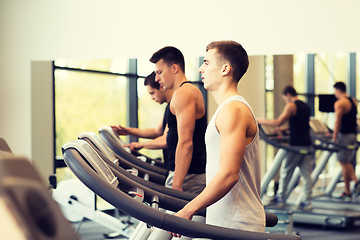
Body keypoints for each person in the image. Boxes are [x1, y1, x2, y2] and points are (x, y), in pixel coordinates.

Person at [171, 41, 265, 237]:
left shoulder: (233, 110)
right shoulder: (226, 109)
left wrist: (188, 210)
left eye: (206, 63)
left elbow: (229, 174)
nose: (200, 69)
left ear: (225, 69)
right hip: (225, 219)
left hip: (237, 223)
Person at [150, 46, 207, 194]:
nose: (156, 79)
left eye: (159, 72)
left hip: (188, 177)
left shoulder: (184, 93)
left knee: (170, 217)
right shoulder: (182, 93)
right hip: (185, 175)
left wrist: (176, 185)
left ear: (174, 68)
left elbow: (186, 142)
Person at [257, 86, 313, 211]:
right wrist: (283, 129)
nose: (285, 101)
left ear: (288, 95)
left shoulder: (291, 106)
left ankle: (281, 198)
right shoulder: (306, 106)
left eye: (284, 98)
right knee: (306, 174)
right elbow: (301, 125)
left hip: (295, 145)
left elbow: (277, 122)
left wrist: (260, 121)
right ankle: (306, 200)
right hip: (307, 144)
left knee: (286, 172)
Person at [111, 71, 173, 167]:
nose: (152, 98)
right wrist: (128, 131)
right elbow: (157, 131)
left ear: (161, 86)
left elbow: (165, 139)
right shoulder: (169, 107)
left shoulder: (175, 105)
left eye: (152, 93)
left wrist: (141, 145)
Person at [332, 81, 360, 199]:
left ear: (338, 90)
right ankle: (350, 188)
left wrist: (334, 137)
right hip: (353, 134)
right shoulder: (353, 101)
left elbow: (338, 121)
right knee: (346, 162)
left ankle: (353, 184)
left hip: (344, 136)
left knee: (344, 163)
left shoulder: (340, 103)